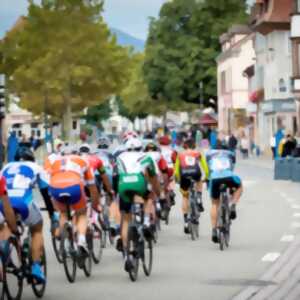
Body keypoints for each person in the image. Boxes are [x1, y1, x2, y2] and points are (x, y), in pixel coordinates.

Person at [0, 148, 53, 283]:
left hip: (4, 202)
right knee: (37, 229)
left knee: (6, 226)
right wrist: (52, 214)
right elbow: (45, 193)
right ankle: (35, 266)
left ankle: (5, 252)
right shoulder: (36, 167)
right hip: (23, 202)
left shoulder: (6, 167)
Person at [44, 145, 100, 264]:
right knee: (82, 214)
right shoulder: (83, 160)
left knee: (63, 213)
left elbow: (47, 180)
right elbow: (92, 187)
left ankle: (62, 232)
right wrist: (95, 205)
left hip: (55, 187)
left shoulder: (54, 161)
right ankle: (81, 241)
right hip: (74, 186)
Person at [115, 138, 161, 272]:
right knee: (149, 197)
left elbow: (115, 176)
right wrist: (157, 192)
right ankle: (146, 222)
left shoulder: (119, 157)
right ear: (141, 148)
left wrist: (115, 192)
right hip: (139, 183)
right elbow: (153, 178)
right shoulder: (146, 156)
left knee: (126, 219)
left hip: (123, 186)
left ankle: (126, 256)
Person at [206, 146, 243, 243]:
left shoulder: (209, 154)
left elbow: (208, 170)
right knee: (240, 186)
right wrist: (231, 188)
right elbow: (231, 167)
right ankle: (233, 205)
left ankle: (214, 230)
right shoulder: (230, 154)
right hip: (228, 176)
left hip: (214, 178)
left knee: (214, 204)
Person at [174, 138, 209, 234]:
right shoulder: (197, 153)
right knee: (199, 181)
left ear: (184, 146)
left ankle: (186, 221)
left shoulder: (180, 154)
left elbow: (176, 169)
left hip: (184, 175)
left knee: (185, 197)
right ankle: (198, 197)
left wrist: (177, 178)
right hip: (195, 173)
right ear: (194, 145)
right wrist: (207, 176)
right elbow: (205, 166)